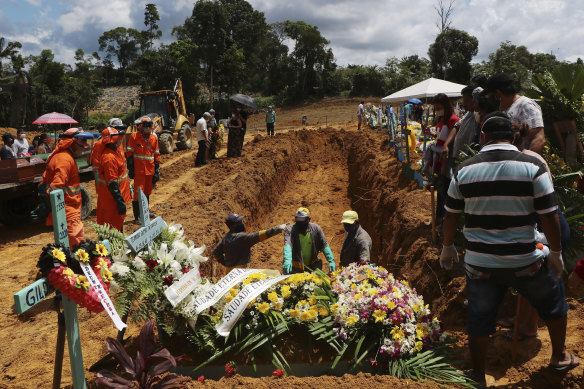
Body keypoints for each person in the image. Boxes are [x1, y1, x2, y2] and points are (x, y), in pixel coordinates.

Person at [440, 113, 579, 385]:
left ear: (482, 137)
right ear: (513, 137)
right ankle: (560, 356)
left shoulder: (463, 170)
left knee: (479, 317)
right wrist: (555, 253)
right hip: (526, 261)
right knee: (554, 302)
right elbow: (549, 214)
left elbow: (451, 215)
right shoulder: (532, 166)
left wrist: (447, 247)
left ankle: (478, 375)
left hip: (480, 264)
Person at [32, 128, 92, 246]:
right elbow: (55, 188)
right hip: (67, 211)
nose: (83, 148)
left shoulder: (65, 157)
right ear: (71, 143)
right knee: (74, 245)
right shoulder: (64, 160)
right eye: (81, 145)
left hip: (71, 209)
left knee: (77, 243)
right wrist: (48, 205)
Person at [422, 93, 459, 229]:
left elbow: (448, 142)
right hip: (438, 161)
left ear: (445, 105)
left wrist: (444, 164)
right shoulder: (442, 119)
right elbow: (440, 137)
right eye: (435, 108)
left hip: (445, 161)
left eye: (438, 107)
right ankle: (438, 219)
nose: (437, 110)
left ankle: (442, 221)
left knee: (444, 194)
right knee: (439, 192)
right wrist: (430, 134)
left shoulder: (453, 120)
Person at [485, 73, 545, 154]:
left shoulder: (525, 105)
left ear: (498, 94)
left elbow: (539, 139)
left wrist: (527, 163)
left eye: (491, 98)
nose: (490, 102)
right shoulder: (506, 109)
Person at [212, 213, 286, 271]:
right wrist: (278, 228)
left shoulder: (225, 238)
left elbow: (216, 252)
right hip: (242, 272)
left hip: (229, 273)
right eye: (239, 222)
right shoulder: (242, 237)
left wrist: (225, 263)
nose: (242, 224)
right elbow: (258, 236)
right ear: (233, 226)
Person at [97, 127, 131, 232]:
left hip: (116, 197)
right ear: (111, 142)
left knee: (117, 224)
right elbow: (112, 183)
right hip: (112, 200)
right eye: (117, 140)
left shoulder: (114, 152)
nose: (120, 141)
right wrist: (119, 201)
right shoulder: (109, 158)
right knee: (113, 227)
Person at [127, 116, 160, 223]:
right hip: (139, 170)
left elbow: (156, 155)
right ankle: (137, 217)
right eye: (145, 127)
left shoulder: (153, 138)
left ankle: (145, 213)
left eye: (149, 127)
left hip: (150, 170)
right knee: (137, 193)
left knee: (147, 192)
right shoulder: (134, 137)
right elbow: (129, 154)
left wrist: (156, 172)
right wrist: (131, 169)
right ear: (141, 127)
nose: (148, 129)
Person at [283, 207, 336, 274]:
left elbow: (324, 244)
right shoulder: (290, 230)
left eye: (303, 221)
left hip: (312, 266)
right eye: (298, 221)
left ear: (309, 219)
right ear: (295, 219)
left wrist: (331, 260)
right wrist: (287, 260)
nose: (301, 224)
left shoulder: (316, 229)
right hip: (296, 267)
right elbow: (288, 245)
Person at [442, 86, 479, 162]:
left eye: (466, 100)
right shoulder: (469, 113)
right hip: (458, 156)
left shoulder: (479, 115)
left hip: (468, 160)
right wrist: (446, 144)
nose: (464, 104)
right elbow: (457, 126)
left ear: (474, 100)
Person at [91, 122, 114, 190]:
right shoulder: (100, 142)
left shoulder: (110, 142)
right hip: (101, 168)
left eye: (101, 131)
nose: (100, 133)